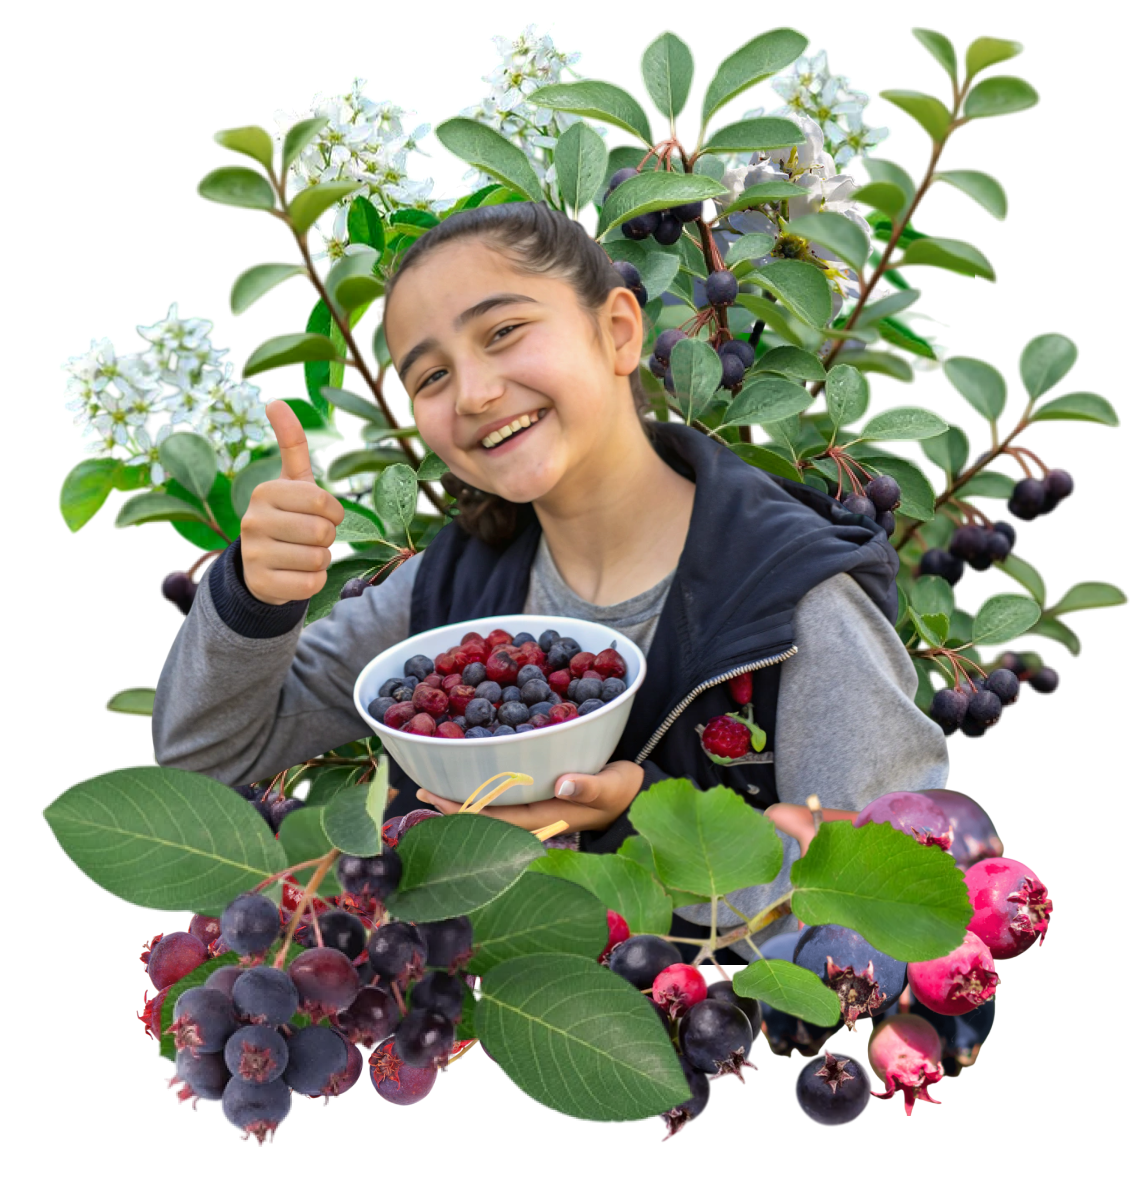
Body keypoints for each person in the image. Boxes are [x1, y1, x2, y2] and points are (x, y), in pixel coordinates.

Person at [152, 199, 950, 972]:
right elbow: (202, 763)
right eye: (431, 376)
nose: (474, 393)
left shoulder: (799, 604)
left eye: (503, 332)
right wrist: (254, 599)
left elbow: (900, 930)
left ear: (618, 331)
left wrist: (650, 818)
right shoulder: (453, 588)